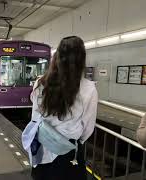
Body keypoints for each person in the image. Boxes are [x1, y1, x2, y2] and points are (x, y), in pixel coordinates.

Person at [22, 36, 98, 180]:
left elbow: (35, 116)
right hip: (68, 150)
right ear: (81, 59)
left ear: (57, 57)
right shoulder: (89, 88)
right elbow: (88, 128)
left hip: (43, 145)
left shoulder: (40, 82)